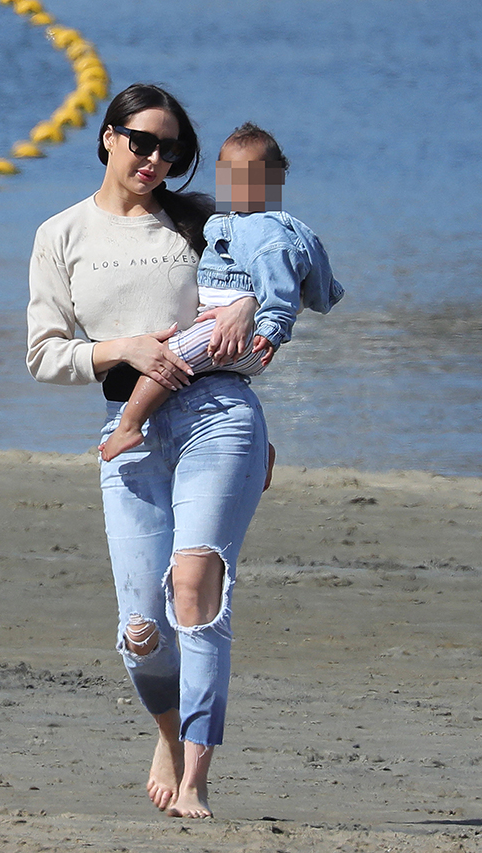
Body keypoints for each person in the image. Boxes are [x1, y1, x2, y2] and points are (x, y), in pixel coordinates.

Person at [27, 84, 274, 819]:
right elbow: (44, 355)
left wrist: (247, 307)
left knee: (196, 592)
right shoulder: (61, 234)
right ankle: (168, 733)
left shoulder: (203, 224)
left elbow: (263, 306)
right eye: (143, 142)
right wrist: (123, 348)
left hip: (216, 416)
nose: (156, 160)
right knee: (141, 632)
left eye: (172, 150)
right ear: (108, 136)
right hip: (127, 430)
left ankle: (196, 772)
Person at [99, 123, 344, 462]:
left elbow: (282, 291)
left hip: (241, 336)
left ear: (275, 179)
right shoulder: (228, 220)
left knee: (167, 359)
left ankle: (129, 425)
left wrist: (269, 329)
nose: (239, 184)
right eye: (230, 175)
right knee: (180, 366)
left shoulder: (268, 234)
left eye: (252, 176)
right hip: (221, 327)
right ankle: (260, 449)